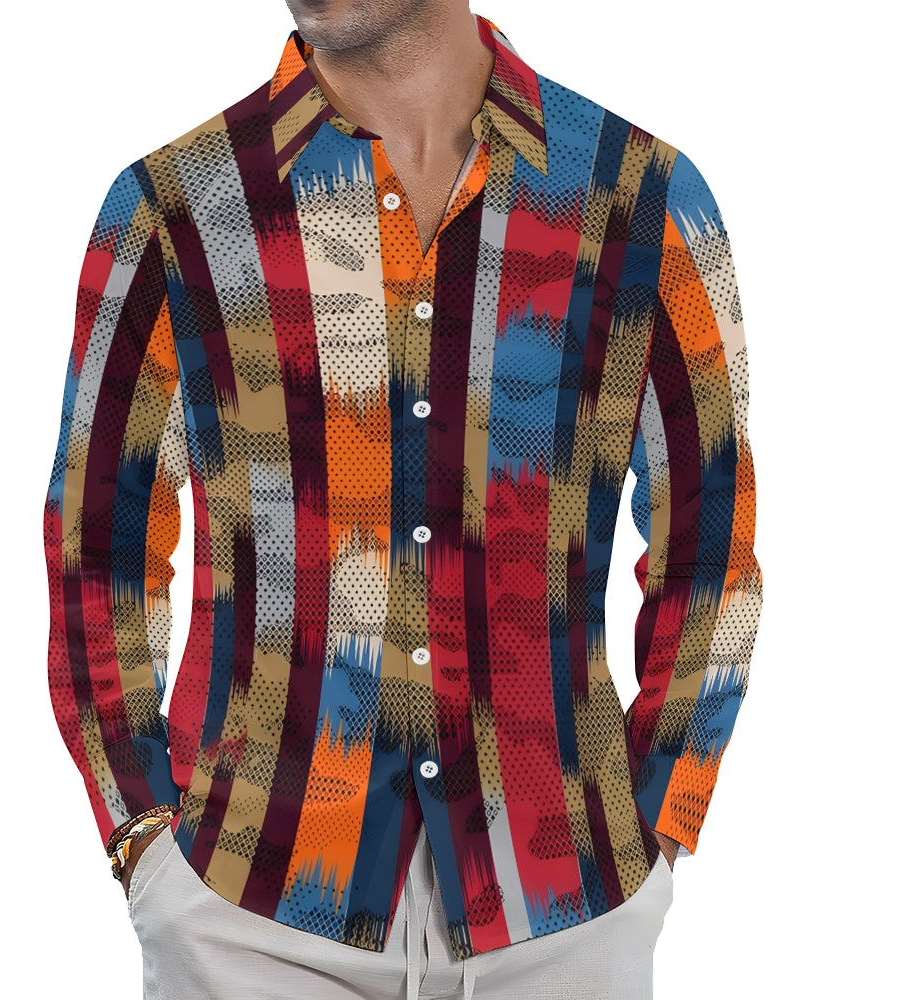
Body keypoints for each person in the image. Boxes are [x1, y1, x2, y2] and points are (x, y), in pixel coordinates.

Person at [44, 1, 762, 996]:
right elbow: (98, 544)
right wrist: (140, 834)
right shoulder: (175, 207)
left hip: (565, 906)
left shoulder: (642, 198)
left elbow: (709, 541)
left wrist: (661, 817)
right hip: (246, 910)